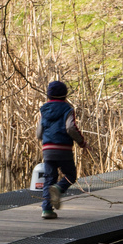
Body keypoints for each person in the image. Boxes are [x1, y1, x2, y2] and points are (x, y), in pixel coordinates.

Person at [38, 79, 88, 219]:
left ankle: (46, 210)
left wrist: (45, 140)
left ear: (48, 95)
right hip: (63, 148)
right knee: (70, 175)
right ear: (65, 95)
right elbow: (70, 128)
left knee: (49, 179)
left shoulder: (43, 109)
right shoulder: (67, 109)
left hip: (47, 148)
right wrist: (82, 143)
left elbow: (39, 131)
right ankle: (59, 189)